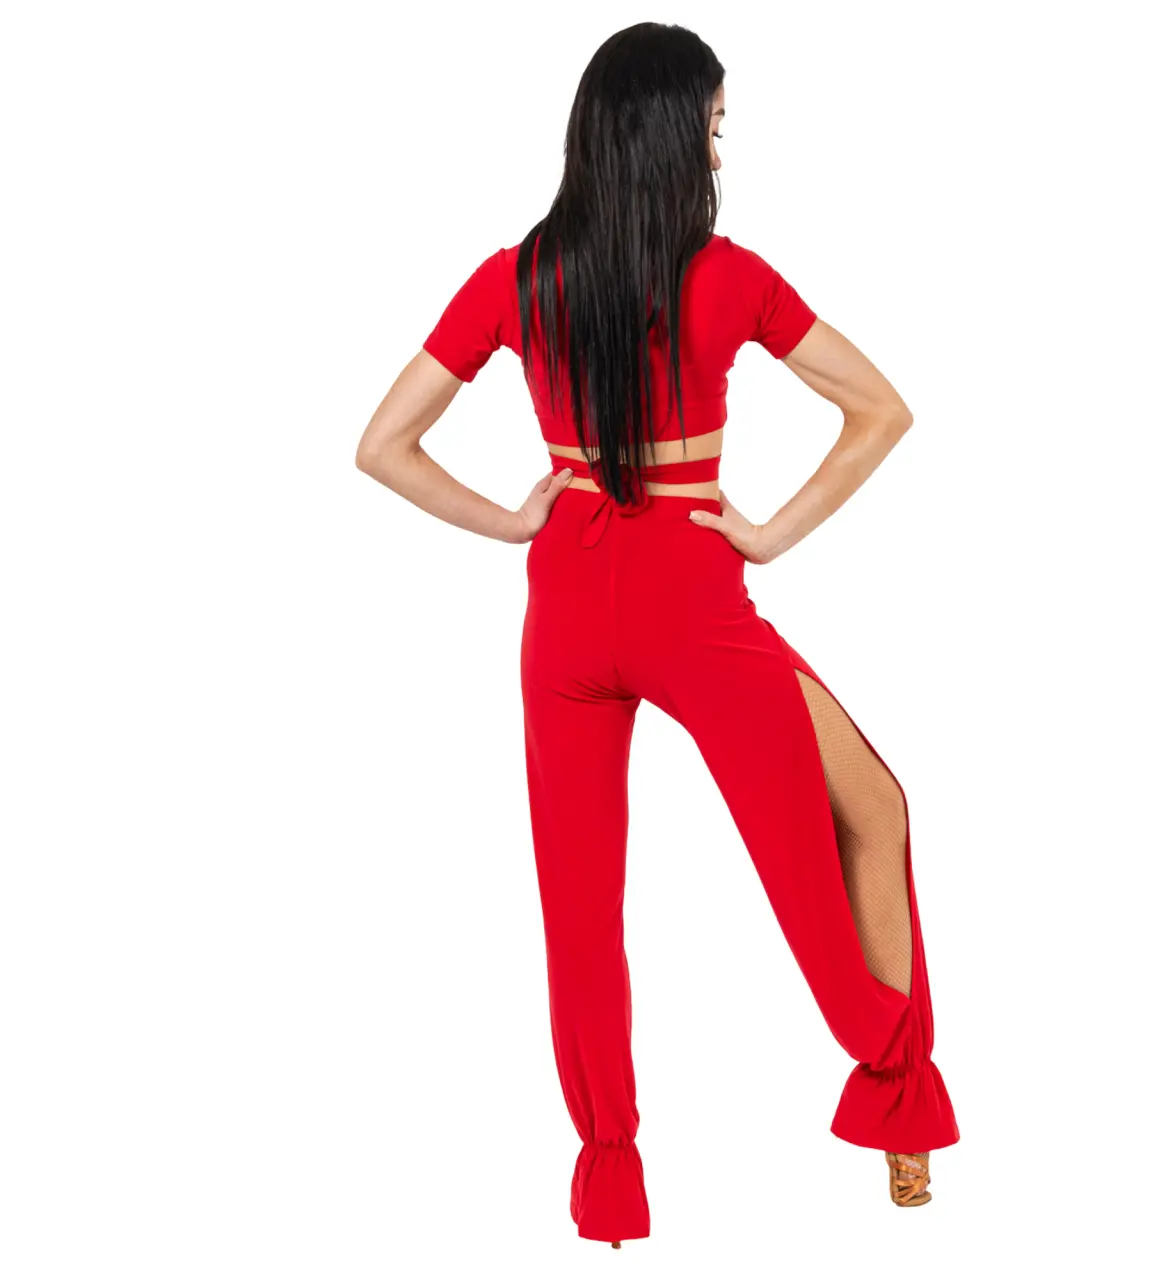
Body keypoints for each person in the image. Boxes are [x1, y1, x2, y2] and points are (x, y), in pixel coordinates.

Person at [355, 20, 959, 1247]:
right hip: (692, 601)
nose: (721, 150)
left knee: (578, 910)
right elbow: (880, 408)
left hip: (567, 605)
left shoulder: (515, 279)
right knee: (865, 815)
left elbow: (381, 445)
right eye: (716, 125)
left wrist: (511, 519)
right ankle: (896, 1097)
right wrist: (770, 533)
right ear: (674, 136)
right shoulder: (729, 277)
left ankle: (611, 1188)